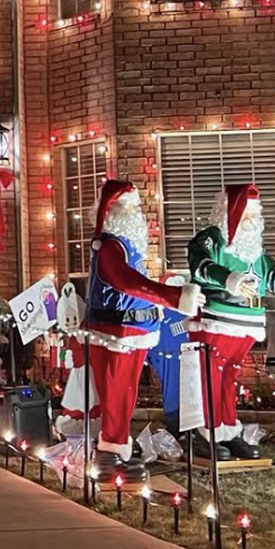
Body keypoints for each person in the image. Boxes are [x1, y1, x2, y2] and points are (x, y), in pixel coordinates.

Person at [73, 180, 202, 481]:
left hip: (133, 331)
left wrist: (170, 292)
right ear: (112, 212)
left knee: (125, 393)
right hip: (117, 331)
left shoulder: (127, 246)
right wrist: (172, 297)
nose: (137, 213)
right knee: (117, 393)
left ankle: (115, 450)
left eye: (137, 207)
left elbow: (136, 286)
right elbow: (126, 282)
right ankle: (109, 454)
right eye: (130, 207)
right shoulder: (110, 247)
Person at [187, 184, 275, 460]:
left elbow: (271, 272)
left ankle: (227, 430)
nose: (251, 221)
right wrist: (229, 279)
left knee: (229, 377)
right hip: (216, 319)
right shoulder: (211, 239)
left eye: (254, 216)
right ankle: (206, 432)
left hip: (245, 323)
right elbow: (201, 266)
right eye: (245, 215)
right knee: (210, 377)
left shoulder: (252, 249)